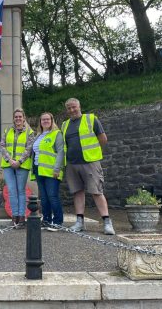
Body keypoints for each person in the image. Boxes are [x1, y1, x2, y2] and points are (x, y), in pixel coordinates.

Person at [61, 98, 115, 235]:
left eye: (74, 107)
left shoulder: (91, 119)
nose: (72, 110)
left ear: (79, 106)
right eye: (69, 108)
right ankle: (79, 222)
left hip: (90, 162)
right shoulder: (64, 125)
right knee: (77, 192)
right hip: (72, 163)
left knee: (97, 191)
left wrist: (95, 154)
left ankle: (107, 222)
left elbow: (103, 138)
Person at [0, 108, 35, 229]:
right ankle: (14, 217)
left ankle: (21, 218)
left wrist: (19, 161)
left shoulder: (29, 132)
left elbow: (29, 148)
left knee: (21, 191)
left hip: (22, 165)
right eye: (16, 117)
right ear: (13, 119)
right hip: (8, 165)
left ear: (24, 118)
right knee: (11, 191)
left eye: (20, 116)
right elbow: (2, 146)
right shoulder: (7, 130)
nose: (18, 119)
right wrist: (10, 160)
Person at [32, 112, 64, 231]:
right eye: (43, 120)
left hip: (52, 171)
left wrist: (57, 168)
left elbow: (61, 151)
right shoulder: (38, 136)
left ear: (52, 120)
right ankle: (46, 220)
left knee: (53, 196)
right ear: (40, 122)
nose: (45, 121)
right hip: (39, 170)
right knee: (44, 198)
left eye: (47, 119)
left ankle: (57, 222)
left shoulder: (57, 134)